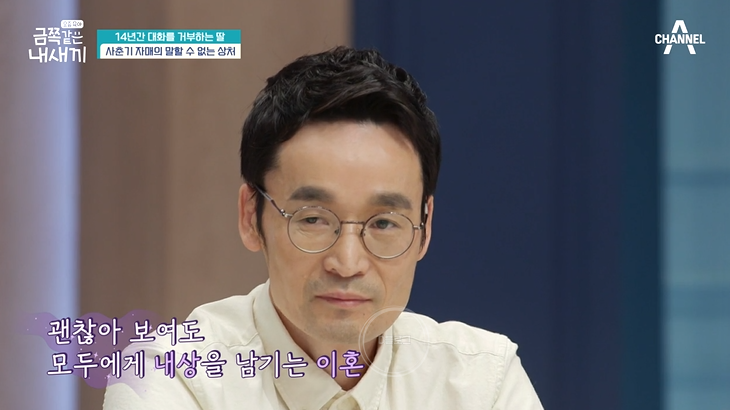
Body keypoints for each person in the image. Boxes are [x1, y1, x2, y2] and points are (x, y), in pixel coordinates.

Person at [103, 46, 543, 409]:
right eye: (313, 219)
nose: (347, 263)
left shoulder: (480, 383)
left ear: (424, 229)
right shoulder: (174, 377)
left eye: (384, 222)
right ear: (250, 216)